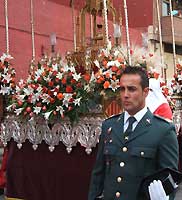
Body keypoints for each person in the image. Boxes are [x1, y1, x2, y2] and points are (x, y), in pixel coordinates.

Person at [88, 66, 179, 200]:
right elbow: (98, 175)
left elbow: (170, 181)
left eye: (132, 89)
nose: (125, 95)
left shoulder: (163, 130)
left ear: (145, 92)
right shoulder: (110, 126)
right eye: (122, 89)